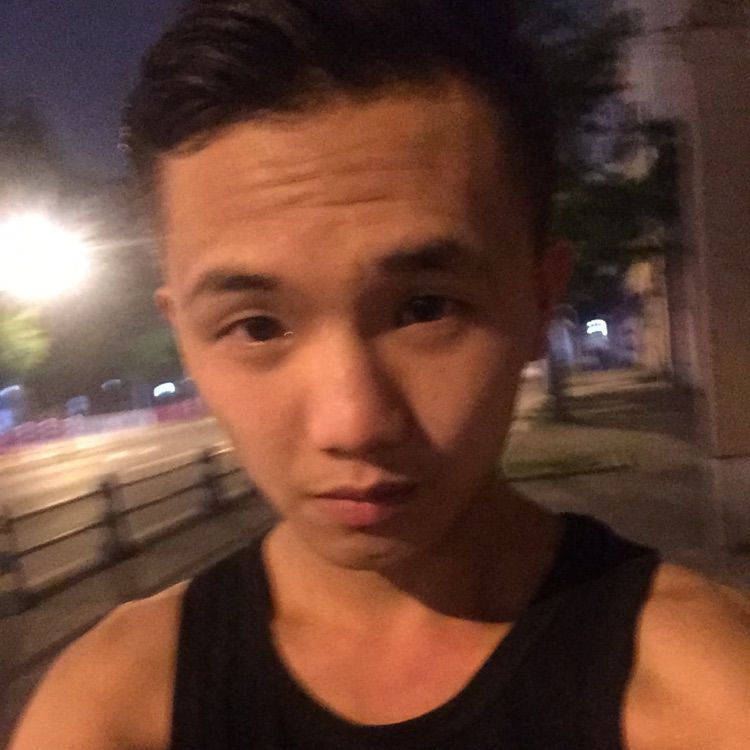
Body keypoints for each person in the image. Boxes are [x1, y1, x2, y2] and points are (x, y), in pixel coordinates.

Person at [10, 1, 750, 748]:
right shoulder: (114, 707)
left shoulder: (706, 696)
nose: (353, 424)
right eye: (257, 326)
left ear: (539, 301)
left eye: (426, 309)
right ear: (184, 335)